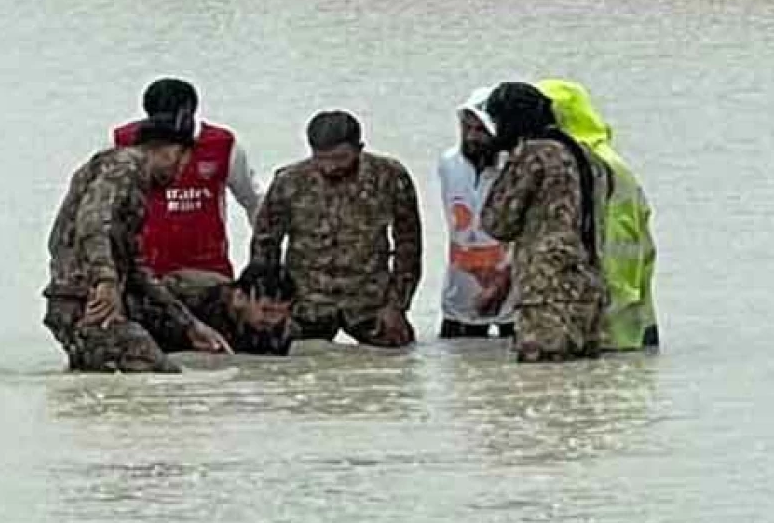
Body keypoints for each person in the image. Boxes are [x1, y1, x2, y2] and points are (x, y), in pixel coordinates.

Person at [43, 115, 233, 373]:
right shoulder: (127, 165)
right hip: (90, 305)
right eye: (181, 161)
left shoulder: (125, 177)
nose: (180, 172)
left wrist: (189, 325)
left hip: (79, 304)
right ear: (166, 150)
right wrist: (106, 281)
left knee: (102, 390)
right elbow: (93, 221)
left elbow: (136, 268)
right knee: (162, 376)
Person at [250, 110, 422, 348]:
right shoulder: (289, 181)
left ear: (359, 148)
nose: (330, 167)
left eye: (340, 158)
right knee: (284, 371)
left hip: (370, 301)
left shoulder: (390, 177)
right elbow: (265, 245)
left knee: (400, 366)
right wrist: (269, 303)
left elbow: (408, 247)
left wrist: (397, 306)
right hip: (305, 302)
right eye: (321, 158)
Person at [481, 82, 610, 362]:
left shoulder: (533, 155)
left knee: (541, 388)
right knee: (580, 393)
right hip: (589, 287)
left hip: (545, 295)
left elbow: (497, 223)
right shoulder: (588, 157)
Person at [536, 79, 660, 351]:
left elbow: (615, 241)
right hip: (633, 310)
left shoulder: (589, 166)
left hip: (613, 315)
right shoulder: (605, 161)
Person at [112, 78, 263, 278]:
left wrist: (262, 260)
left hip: (209, 273)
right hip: (142, 273)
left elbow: (253, 200)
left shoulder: (223, 145)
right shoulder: (122, 142)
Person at [437, 86, 517, 339]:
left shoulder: (515, 167)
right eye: (467, 128)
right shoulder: (448, 163)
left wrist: (502, 282)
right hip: (459, 298)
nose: (472, 137)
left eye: (481, 131)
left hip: (511, 301)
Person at [144, 263, 297, 356]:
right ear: (239, 297)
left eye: (281, 312)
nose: (273, 320)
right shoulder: (190, 296)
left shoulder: (283, 330)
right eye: (266, 310)